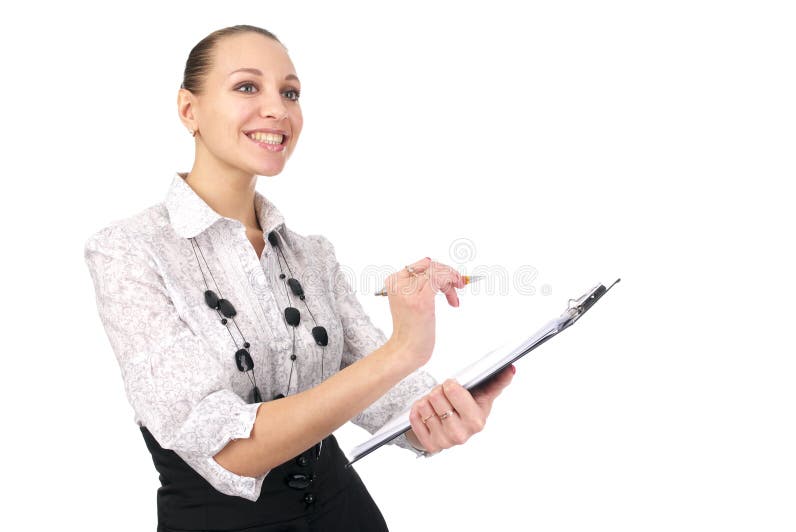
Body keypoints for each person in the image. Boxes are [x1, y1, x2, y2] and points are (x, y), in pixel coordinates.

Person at [84, 24, 515, 532]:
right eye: (248, 87)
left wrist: (439, 416)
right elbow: (227, 452)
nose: (278, 109)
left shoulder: (312, 255)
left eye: (289, 93)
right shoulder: (128, 249)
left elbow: (380, 394)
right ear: (188, 109)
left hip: (346, 513)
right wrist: (403, 351)